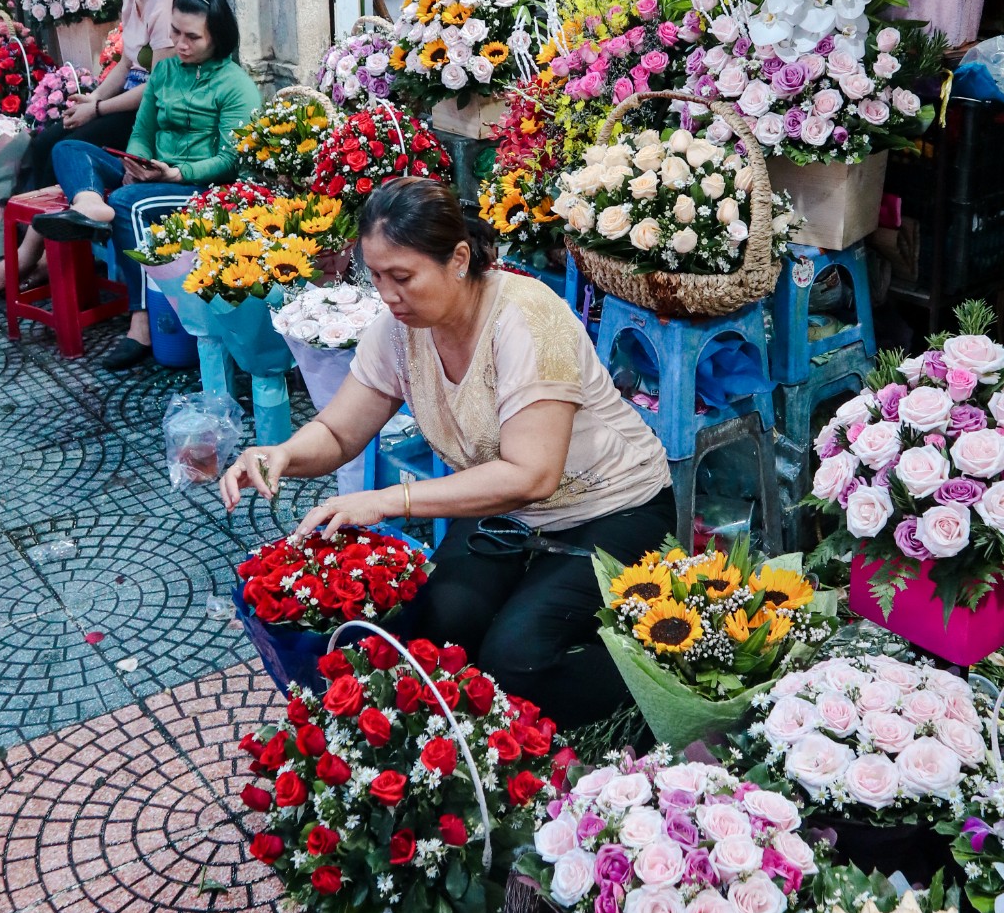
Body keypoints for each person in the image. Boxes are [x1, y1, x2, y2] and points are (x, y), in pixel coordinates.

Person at [219, 177, 676, 729]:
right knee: (437, 629)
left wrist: (390, 500)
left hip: (611, 508)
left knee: (517, 663)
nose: (387, 295)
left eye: (403, 277)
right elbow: (340, 434)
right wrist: (283, 455)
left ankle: (656, 668)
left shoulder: (527, 318)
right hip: (503, 509)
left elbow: (534, 475)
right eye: (376, 276)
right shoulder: (398, 330)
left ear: (459, 259)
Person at [34, 0, 260, 370]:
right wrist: (134, 161)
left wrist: (176, 172)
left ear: (217, 37)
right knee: (67, 148)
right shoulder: (167, 70)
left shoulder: (236, 85)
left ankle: (140, 322)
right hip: (153, 172)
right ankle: (89, 203)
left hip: (198, 185)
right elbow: (142, 129)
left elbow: (229, 160)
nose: (180, 44)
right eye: (175, 33)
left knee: (125, 203)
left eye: (192, 37)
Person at [0, 0, 180, 303]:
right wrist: (94, 95)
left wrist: (96, 110)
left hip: (148, 112)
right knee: (42, 141)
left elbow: (157, 89)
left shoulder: (166, 4)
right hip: (124, 101)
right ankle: (42, 254)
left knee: (59, 144)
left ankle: (31, 258)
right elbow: (126, 63)